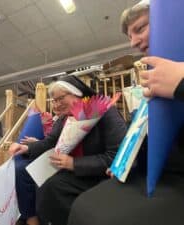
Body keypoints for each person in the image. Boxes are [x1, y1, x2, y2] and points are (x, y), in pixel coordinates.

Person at [67, 2, 184, 225]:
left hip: (173, 181)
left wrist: (181, 81)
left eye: (140, 29)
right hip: (152, 174)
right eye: (129, 36)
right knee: (82, 205)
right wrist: (126, 160)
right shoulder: (150, 83)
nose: (133, 43)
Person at [10, 75, 127, 225]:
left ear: (77, 93)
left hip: (96, 174)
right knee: (21, 170)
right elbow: (49, 142)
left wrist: (74, 163)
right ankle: (32, 217)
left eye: (60, 99)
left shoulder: (106, 112)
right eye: (54, 101)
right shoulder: (63, 119)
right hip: (66, 168)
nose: (56, 105)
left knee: (50, 185)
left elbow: (117, 156)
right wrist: (26, 147)